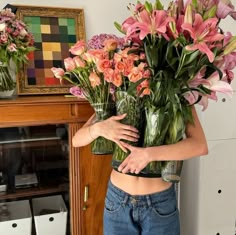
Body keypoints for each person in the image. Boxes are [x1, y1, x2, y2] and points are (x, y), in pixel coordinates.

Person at [72, 105, 208, 235]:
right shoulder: (117, 89)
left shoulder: (178, 89)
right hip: (117, 202)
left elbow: (199, 145)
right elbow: (76, 140)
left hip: (159, 204)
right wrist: (98, 129)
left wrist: (149, 154)